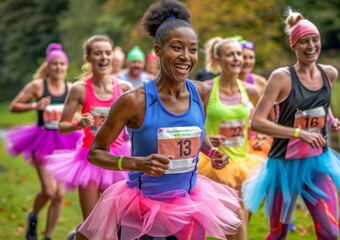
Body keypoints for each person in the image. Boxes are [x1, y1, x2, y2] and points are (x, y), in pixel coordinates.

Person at [78, 0, 242, 239]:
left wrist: (211, 151)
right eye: (177, 47)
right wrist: (137, 163)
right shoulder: (134, 101)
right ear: (158, 51)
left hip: (189, 204)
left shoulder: (201, 93)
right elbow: (96, 152)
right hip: (143, 208)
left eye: (193, 49)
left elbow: (196, 133)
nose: (186, 57)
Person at [242, 7, 340, 239]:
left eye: (315, 40)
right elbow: (257, 122)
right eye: (305, 41)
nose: (312, 46)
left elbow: (323, 104)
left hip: (318, 163)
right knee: (278, 234)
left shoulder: (329, 74)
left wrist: (333, 121)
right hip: (282, 166)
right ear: (293, 45)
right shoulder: (280, 78)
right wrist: (298, 133)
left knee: (330, 233)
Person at [44, 35, 133, 238]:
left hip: (116, 158)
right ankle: (77, 236)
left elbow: (137, 121)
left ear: (112, 56)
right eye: (97, 53)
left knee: (117, 222)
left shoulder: (125, 89)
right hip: (89, 158)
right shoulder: (79, 89)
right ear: (88, 57)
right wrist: (78, 123)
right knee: (91, 224)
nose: (103, 57)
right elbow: (62, 126)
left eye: (107, 53)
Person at [4, 43, 82, 240]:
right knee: (48, 191)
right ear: (48, 65)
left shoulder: (71, 88)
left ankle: (47, 236)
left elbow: (79, 110)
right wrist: (34, 105)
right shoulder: (38, 86)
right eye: (54, 64)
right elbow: (14, 106)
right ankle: (34, 216)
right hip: (42, 140)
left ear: (66, 66)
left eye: (61, 64)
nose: (58, 68)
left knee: (59, 195)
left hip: (65, 141)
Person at [197, 36, 264, 239]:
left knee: (238, 217)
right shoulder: (206, 89)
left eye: (238, 54)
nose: (236, 59)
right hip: (214, 163)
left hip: (243, 163)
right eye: (230, 54)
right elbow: (193, 122)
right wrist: (208, 138)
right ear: (218, 59)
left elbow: (259, 120)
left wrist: (259, 135)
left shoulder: (251, 91)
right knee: (233, 217)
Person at [237, 38, 272, 158]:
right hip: (233, 139)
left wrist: (262, 136)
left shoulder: (261, 82)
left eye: (251, 57)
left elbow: (268, 114)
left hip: (256, 137)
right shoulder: (225, 83)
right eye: (243, 57)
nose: (247, 61)